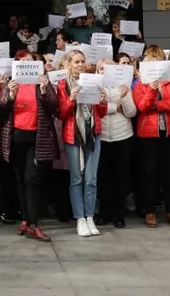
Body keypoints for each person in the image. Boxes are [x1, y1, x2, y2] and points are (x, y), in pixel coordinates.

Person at [0, 67, 59, 242]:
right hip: (15, 140)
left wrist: (45, 90)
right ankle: (25, 220)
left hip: (36, 140)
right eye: (22, 62)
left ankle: (34, 224)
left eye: (30, 62)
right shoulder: (11, 84)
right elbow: (0, 108)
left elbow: (54, 107)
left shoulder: (42, 84)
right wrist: (10, 95)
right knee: (20, 180)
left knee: (31, 179)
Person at [57, 49, 109, 238]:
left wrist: (102, 101)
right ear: (69, 64)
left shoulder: (92, 80)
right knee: (76, 178)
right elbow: (61, 114)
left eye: (82, 61)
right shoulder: (63, 84)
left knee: (91, 179)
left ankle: (90, 216)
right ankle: (79, 217)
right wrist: (71, 99)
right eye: (76, 62)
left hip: (93, 134)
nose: (80, 65)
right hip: (73, 135)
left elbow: (100, 113)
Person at [133, 44, 170, 228]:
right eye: (149, 59)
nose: (153, 62)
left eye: (157, 59)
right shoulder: (140, 85)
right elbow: (142, 107)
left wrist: (158, 105)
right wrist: (153, 91)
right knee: (149, 173)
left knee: (169, 173)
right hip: (148, 135)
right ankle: (150, 210)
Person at [95, 55, 137, 228]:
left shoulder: (124, 87)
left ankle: (119, 215)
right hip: (102, 136)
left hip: (123, 136)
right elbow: (97, 110)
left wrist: (125, 97)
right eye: (102, 68)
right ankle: (104, 213)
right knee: (103, 177)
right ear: (98, 71)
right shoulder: (96, 86)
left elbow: (131, 112)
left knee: (121, 177)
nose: (105, 72)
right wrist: (114, 107)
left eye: (109, 68)